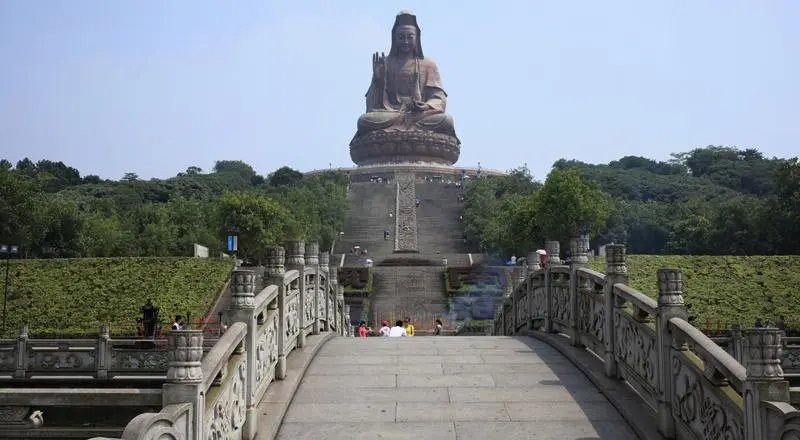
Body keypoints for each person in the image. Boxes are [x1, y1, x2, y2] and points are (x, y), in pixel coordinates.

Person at [353, 11, 458, 139]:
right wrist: (378, 81)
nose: (406, 41)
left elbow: (439, 98)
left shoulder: (429, 64)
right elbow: (372, 104)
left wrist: (426, 106)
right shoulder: (386, 63)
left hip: (419, 114)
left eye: (410, 37)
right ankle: (407, 129)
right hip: (391, 113)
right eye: (401, 37)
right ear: (394, 38)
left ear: (417, 38)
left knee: (446, 120)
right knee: (364, 121)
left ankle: (403, 130)